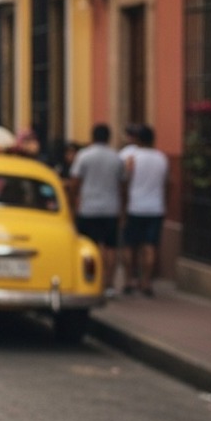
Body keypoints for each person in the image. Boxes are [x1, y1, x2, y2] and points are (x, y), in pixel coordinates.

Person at [69, 124, 125, 297]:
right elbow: (122, 185)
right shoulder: (117, 158)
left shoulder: (84, 156)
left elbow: (75, 181)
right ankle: (109, 284)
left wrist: (74, 201)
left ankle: (91, 281)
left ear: (92, 137)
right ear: (109, 138)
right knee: (110, 247)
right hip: (111, 208)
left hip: (88, 208)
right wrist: (122, 208)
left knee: (88, 247)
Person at [123, 124, 169, 296]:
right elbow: (167, 183)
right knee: (150, 247)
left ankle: (129, 280)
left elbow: (125, 181)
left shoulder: (131, 158)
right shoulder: (162, 158)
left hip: (135, 207)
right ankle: (146, 282)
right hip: (155, 208)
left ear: (138, 139)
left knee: (130, 246)